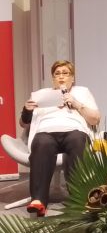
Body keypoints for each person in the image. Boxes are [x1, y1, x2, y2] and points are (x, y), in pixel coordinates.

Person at [20, 60, 100, 216]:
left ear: (72, 78)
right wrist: (26, 110)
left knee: (78, 140)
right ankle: (38, 200)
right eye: (57, 74)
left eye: (65, 73)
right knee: (42, 142)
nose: (61, 77)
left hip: (74, 131)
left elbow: (95, 119)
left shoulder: (82, 92)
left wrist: (76, 104)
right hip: (46, 131)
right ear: (53, 78)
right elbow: (23, 124)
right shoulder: (40, 95)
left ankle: (78, 198)